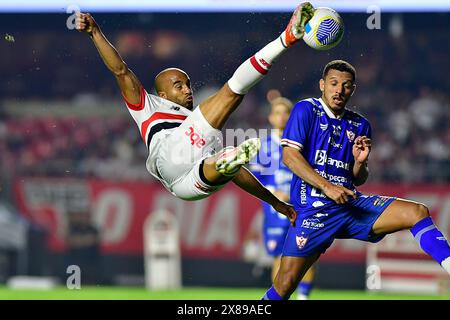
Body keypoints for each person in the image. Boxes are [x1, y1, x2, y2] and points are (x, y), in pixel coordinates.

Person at [75, 2, 317, 224]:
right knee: (232, 91)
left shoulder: (200, 126)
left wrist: (275, 202)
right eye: (178, 85)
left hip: (188, 187)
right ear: (163, 95)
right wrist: (95, 32)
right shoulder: (148, 106)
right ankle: (286, 38)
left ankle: (224, 160)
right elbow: (121, 71)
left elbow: (238, 176)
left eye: (188, 84)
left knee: (224, 166)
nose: (187, 89)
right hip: (169, 158)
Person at [262, 60, 450, 300]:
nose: (339, 90)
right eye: (333, 84)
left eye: (346, 85)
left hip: (350, 205)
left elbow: (358, 178)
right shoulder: (306, 110)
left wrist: (360, 162)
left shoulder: (360, 124)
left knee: (417, 212)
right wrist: (327, 187)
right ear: (322, 85)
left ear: (353, 90)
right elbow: (289, 156)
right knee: (284, 286)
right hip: (313, 211)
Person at [250, 96, 316, 300]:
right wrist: (273, 192)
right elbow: (254, 180)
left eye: (285, 113)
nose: (281, 117)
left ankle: (303, 298)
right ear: (271, 118)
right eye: (277, 112)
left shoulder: (302, 145)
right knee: (278, 257)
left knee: (305, 254)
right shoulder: (263, 147)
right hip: (274, 210)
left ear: (291, 117)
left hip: (301, 206)